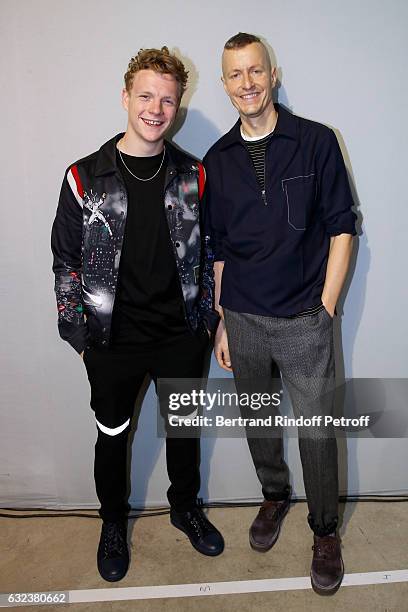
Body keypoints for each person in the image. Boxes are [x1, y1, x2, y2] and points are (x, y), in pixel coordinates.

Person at [51, 46, 224, 583]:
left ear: (179, 107)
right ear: (126, 97)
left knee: (184, 430)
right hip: (112, 341)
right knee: (112, 435)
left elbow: (215, 247)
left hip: (182, 335)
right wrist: (80, 334)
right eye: (146, 95)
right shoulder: (84, 177)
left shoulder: (194, 175)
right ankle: (112, 522)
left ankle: (185, 507)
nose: (156, 108)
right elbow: (65, 260)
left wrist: (211, 321)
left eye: (167, 99)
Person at [203, 32, 357, 595]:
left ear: (273, 74)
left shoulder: (316, 142)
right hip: (243, 319)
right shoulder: (217, 161)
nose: (247, 84)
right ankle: (274, 495)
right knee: (260, 423)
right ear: (224, 85)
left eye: (255, 71)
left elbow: (343, 227)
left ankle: (324, 531)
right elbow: (219, 248)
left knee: (316, 433)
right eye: (235, 75)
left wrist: (326, 308)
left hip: (302, 321)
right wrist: (222, 318)